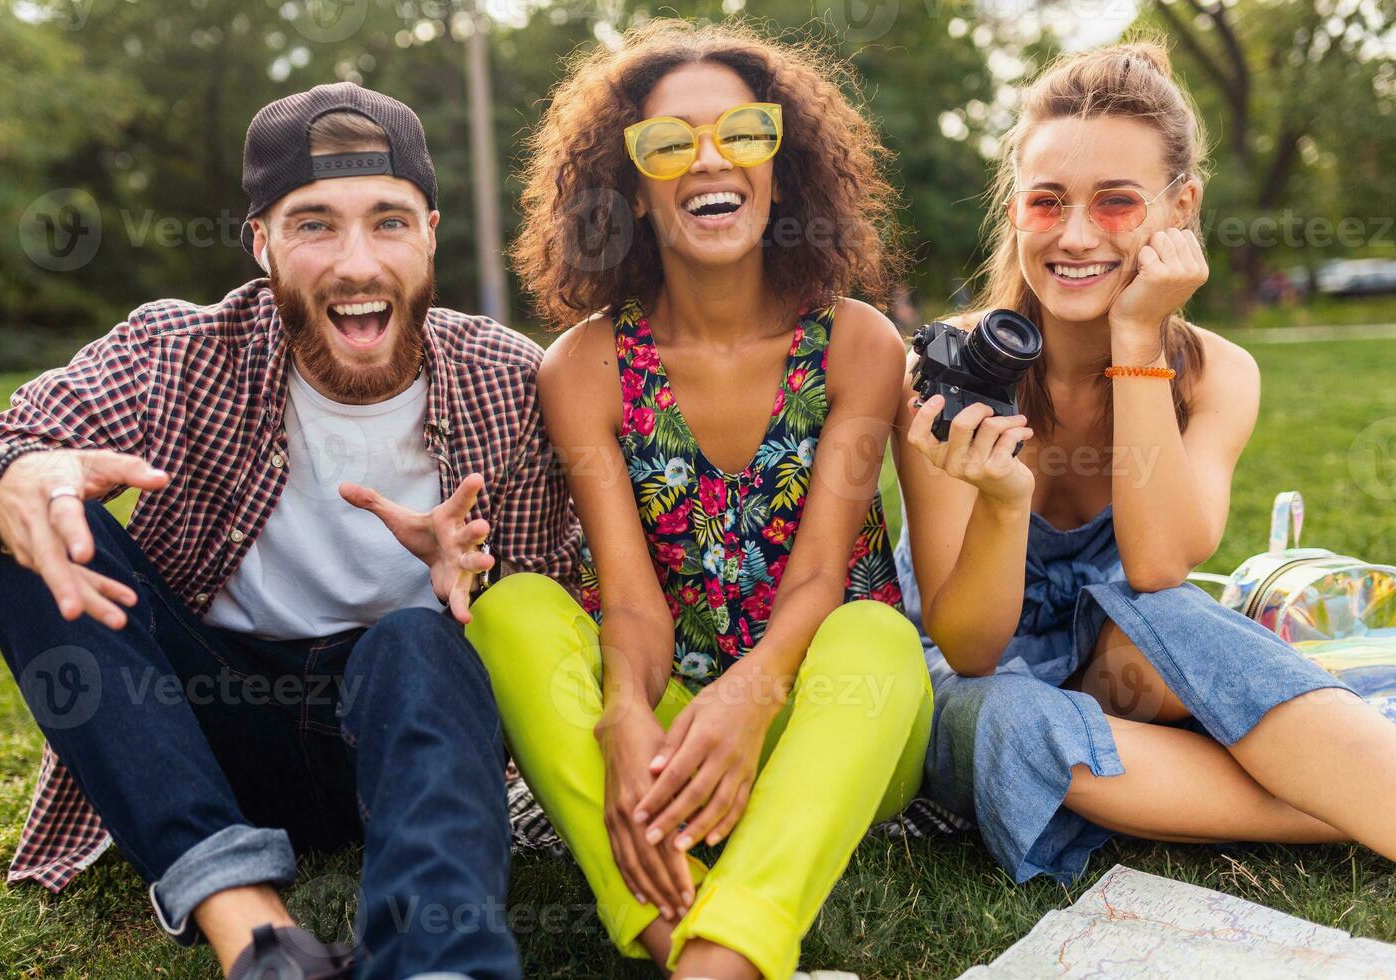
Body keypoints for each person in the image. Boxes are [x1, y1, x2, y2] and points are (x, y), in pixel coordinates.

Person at [0, 83, 578, 979]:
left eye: (387, 222)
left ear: (430, 232)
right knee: (18, 509)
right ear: (260, 243)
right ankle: (259, 938)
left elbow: (573, 626)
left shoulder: (515, 379)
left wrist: (480, 584)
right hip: (206, 734)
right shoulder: (176, 352)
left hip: (403, 735)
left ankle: (439, 959)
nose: (357, 263)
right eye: (314, 225)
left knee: (419, 643)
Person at [465, 19, 932, 980]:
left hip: (828, 717)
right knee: (511, 609)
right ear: (631, 186)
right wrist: (625, 713)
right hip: (671, 721)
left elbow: (817, 582)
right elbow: (630, 604)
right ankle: (680, 934)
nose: (709, 160)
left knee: (877, 636)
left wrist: (754, 696)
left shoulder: (859, 343)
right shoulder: (586, 365)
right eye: (670, 143)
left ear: (781, 164)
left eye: (744, 133)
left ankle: (716, 960)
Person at [892, 41, 1396, 885]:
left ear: (1181, 205)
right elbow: (972, 651)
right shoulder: (947, 372)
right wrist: (1003, 504)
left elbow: (1160, 568)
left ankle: (1349, 788)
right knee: (1020, 719)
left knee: (1182, 623)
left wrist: (1136, 341)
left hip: (1128, 667)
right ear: (1015, 208)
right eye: (1047, 202)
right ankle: (1340, 804)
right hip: (976, 681)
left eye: (1117, 203)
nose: (1077, 235)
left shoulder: (1218, 372)